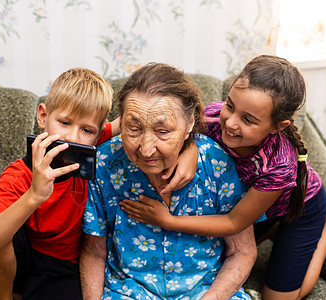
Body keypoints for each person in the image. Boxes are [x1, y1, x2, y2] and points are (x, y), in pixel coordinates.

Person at [120, 55, 326, 300]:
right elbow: (186, 129)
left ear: (278, 126)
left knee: (277, 299)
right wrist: (191, 148)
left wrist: (167, 221)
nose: (230, 123)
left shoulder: (279, 166)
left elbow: (233, 222)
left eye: (248, 120)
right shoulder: (213, 118)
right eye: (230, 106)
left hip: (300, 208)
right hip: (251, 208)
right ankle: (273, 229)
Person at [80, 62, 257, 299]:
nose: (146, 149)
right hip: (129, 292)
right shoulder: (103, 163)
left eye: (163, 132)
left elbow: (242, 252)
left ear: (190, 125)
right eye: (133, 128)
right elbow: (94, 253)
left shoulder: (218, 164)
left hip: (205, 291)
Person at [0, 68, 116, 300]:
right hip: (20, 257)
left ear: (98, 134)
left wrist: (190, 148)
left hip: (61, 267)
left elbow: (132, 122)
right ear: (42, 117)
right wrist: (35, 194)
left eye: (86, 130)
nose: (72, 138)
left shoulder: (93, 144)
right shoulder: (17, 175)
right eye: (64, 123)